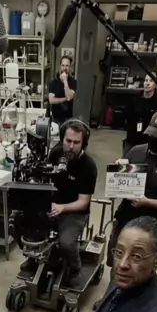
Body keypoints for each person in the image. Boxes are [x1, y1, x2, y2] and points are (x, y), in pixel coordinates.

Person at [111, 108, 157, 258]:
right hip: (125, 218)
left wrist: (147, 202)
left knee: (140, 262)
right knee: (116, 259)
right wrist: (118, 172)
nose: (153, 139)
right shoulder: (136, 151)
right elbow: (120, 184)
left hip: (150, 226)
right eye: (151, 135)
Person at [48, 119, 97, 287]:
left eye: (76, 142)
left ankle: (76, 268)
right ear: (62, 139)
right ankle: (37, 260)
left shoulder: (88, 166)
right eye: (68, 141)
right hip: (53, 206)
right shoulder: (55, 154)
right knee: (24, 225)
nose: (70, 146)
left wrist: (62, 208)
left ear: (84, 144)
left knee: (67, 242)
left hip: (75, 212)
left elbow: (83, 202)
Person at [124, 73, 157, 152]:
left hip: (147, 144)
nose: (147, 83)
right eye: (146, 80)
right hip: (131, 140)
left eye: (151, 81)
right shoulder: (134, 100)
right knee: (126, 159)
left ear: (156, 84)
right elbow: (127, 117)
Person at [48, 54, 77, 125]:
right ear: (60, 66)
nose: (64, 68)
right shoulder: (53, 82)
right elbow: (51, 100)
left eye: (67, 66)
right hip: (55, 118)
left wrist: (65, 81)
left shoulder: (73, 82)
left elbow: (69, 96)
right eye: (63, 65)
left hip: (68, 118)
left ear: (70, 67)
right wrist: (65, 99)